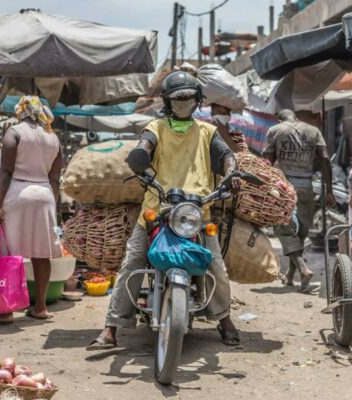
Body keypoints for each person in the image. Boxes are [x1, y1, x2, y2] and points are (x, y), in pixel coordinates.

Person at [89, 71, 241, 349]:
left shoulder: (207, 132)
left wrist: (232, 173)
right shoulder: (156, 127)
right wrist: (141, 157)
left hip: (198, 210)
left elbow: (225, 156)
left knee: (216, 265)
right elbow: (145, 145)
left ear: (197, 101)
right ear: (168, 102)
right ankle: (112, 326)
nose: (182, 103)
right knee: (132, 261)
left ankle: (223, 318)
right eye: (177, 99)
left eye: (187, 98)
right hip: (157, 208)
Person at [0, 96, 63, 324]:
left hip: (15, 194)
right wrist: (52, 205)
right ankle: (39, 307)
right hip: (44, 196)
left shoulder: (14, 132)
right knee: (42, 253)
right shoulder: (53, 138)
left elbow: (7, 172)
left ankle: (6, 310)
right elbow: (55, 178)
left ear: (20, 111)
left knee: (8, 252)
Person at [264, 109, 335, 289]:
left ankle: (303, 269)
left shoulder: (275, 130)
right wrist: (329, 191)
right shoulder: (313, 131)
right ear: (296, 117)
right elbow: (326, 159)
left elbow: (267, 162)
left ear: (279, 119)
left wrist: (265, 186)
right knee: (301, 231)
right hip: (307, 185)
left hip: (284, 186)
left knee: (283, 227)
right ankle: (290, 276)